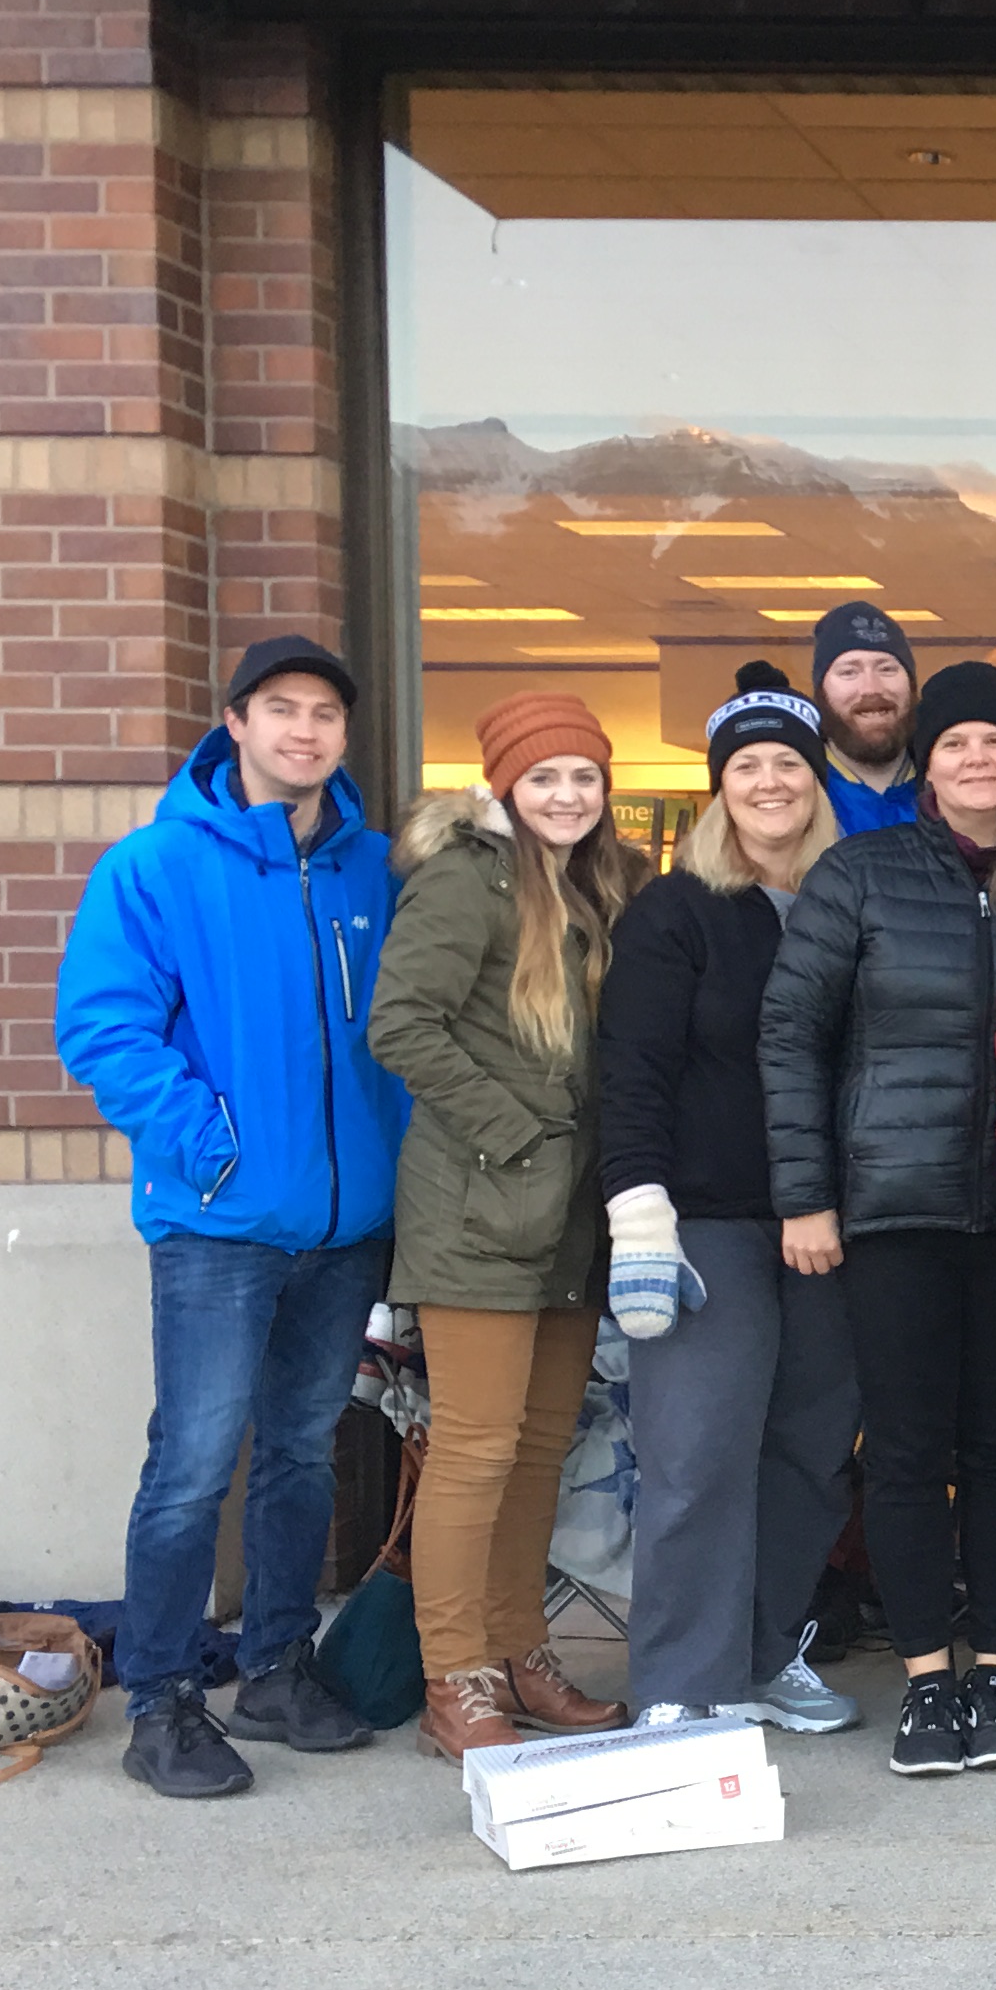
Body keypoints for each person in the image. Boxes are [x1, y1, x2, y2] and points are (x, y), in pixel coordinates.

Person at [54, 634, 410, 1800]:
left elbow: (400, 1043)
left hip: (344, 1228)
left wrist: (391, 1173)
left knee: (303, 1456)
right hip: (217, 1225)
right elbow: (105, 1031)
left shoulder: (372, 873)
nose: (305, 731)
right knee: (196, 1464)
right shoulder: (156, 867)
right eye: (282, 710)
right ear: (238, 724)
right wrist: (215, 1148)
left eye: (325, 714)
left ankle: (274, 1667)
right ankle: (159, 1700)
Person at [758, 660, 996, 1781]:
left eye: (995, 742)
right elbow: (791, 1036)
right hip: (892, 1211)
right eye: (954, 745)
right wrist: (807, 1195)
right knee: (906, 1451)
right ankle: (928, 1681)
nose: (978, 760)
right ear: (925, 766)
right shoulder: (863, 873)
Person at [369, 690, 645, 1761]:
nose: (567, 795)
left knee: (537, 1453)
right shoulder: (464, 883)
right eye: (545, 778)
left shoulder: (601, 887)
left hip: (569, 1221)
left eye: (584, 776)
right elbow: (400, 1022)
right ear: (504, 787)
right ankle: (458, 1678)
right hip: (480, 1210)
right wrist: (516, 1131)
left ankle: (521, 1649)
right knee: (473, 1454)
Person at [594, 666, 864, 1734]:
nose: (768, 782)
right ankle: (678, 1681)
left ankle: (759, 1657)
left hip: (834, 1227)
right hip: (708, 1219)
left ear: (816, 782)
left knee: (807, 1454)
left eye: (787, 764)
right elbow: (632, 1072)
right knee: (698, 1459)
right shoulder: (676, 912)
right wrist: (639, 1215)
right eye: (745, 766)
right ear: (718, 788)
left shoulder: (853, 900)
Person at [809, 600, 921, 836]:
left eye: (886, 669)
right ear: (822, 691)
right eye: (849, 672)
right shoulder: (799, 793)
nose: (871, 688)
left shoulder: (950, 783)